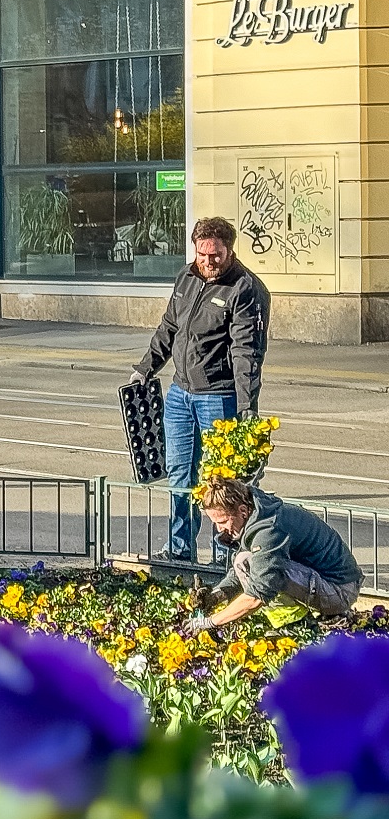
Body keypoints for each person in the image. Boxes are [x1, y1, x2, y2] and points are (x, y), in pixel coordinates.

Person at [132, 217, 271, 562]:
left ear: (230, 250)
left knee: (220, 481)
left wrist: (246, 405)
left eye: (217, 255)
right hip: (180, 393)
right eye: (203, 254)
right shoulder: (186, 277)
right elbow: (169, 326)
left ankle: (225, 555)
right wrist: (146, 367)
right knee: (180, 473)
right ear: (195, 249)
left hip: (219, 396)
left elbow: (246, 352)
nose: (209, 262)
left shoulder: (244, 289)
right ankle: (180, 550)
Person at [184, 477, 360, 633]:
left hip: (340, 591)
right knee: (244, 560)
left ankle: (292, 624)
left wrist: (210, 622)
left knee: (261, 569)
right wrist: (217, 595)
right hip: (327, 581)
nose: (218, 529)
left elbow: (259, 592)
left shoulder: (268, 530)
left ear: (243, 511)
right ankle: (292, 618)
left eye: (222, 522)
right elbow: (242, 570)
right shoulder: (258, 512)